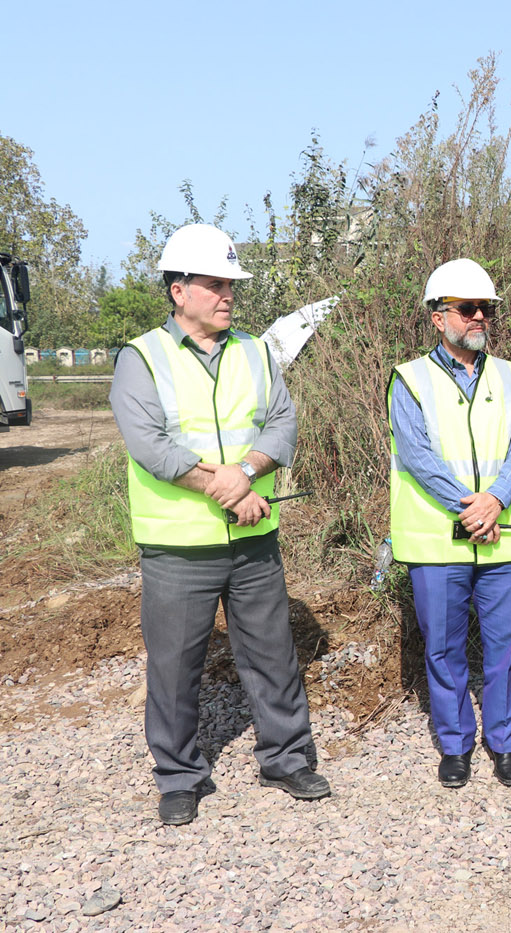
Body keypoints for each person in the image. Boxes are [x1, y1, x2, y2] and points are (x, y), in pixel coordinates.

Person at [110, 223, 329, 825]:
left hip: (254, 540)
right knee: (175, 665)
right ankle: (179, 777)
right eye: (216, 283)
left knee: (273, 655)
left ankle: (286, 758)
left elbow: (281, 425)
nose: (229, 293)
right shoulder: (141, 357)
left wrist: (249, 468)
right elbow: (150, 446)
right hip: (178, 546)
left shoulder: (256, 352)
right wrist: (229, 488)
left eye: (232, 283)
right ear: (179, 290)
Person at [387, 258, 511, 789]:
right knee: (444, 650)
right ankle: (455, 747)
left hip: (504, 542)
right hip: (437, 544)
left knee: (507, 647)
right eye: (468, 308)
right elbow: (419, 457)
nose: (479, 317)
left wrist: (494, 500)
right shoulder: (409, 379)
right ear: (437, 318)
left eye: (486, 309)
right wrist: (472, 508)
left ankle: (505, 744)